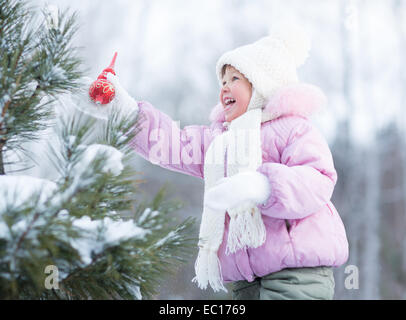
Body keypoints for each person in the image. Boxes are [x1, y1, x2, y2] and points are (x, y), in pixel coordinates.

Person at [78, 24, 349, 300]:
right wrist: (126, 113)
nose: (225, 88)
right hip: (246, 279)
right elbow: (175, 145)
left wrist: (264, 185)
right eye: (222, 81)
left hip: (296, 272)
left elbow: (317, 178)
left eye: (235, 79)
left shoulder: (293, 128)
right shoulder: (221, 140)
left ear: (263, 83)